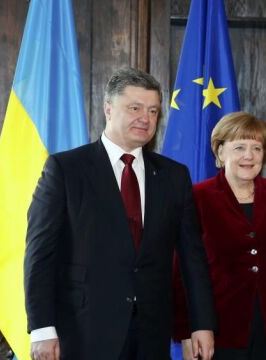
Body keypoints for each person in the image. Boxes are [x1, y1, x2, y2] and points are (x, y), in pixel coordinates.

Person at [24, 68, 216, 360]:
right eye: (135, 108)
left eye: (153, 111)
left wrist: (201, 324)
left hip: (152, 332)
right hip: (84, 328)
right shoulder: (66, 169)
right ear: (108, 109)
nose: (145, 118)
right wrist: (41, 328)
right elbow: (39, 255)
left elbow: (193, 258)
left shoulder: (174, 176)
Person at [173, 112, 266, 360]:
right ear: (220, 152)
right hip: (217, 334)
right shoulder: (198, 198)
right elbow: (182, 271)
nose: (248, 156)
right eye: (239, 147)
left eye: (256, 148)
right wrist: (188, 331)